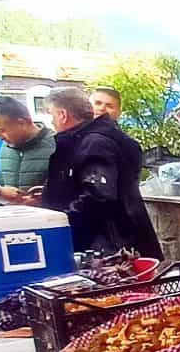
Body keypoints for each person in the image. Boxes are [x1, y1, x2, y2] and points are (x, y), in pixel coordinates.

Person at [40, 85, 162, 257]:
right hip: (115, 241)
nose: (51, 121)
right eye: (97, 102)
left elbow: (99, 195)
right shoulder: (89, 139)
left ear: (62, 115)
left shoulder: (95, 142)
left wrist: (61, 220)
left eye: (51, 114)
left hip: (108, 245)